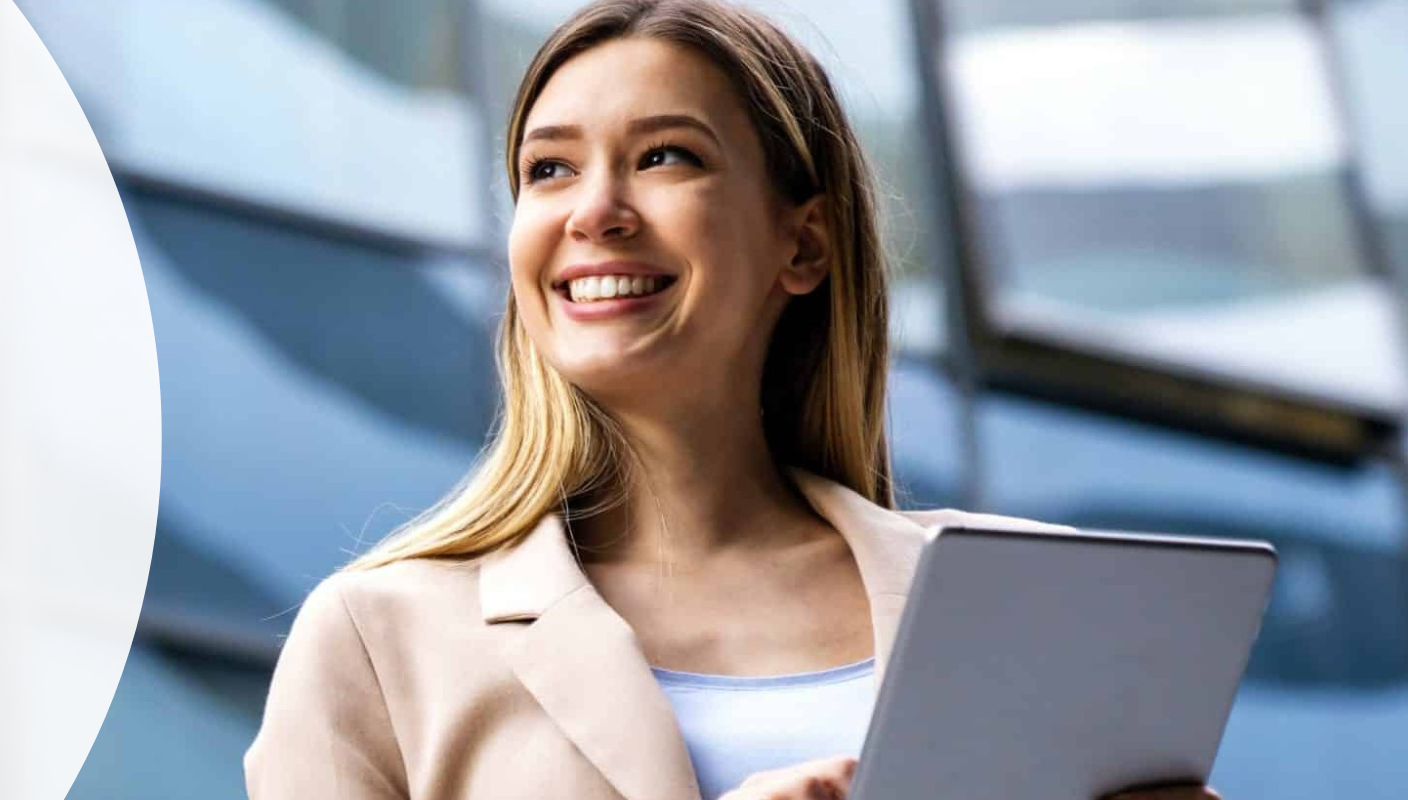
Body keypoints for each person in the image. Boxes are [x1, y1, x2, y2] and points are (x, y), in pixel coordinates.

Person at [240, 1, 1225, 799]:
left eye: (665, 156)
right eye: (549, 169)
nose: (594, 210)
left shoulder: (1021, 597)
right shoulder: (378, 638)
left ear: (804, 243)